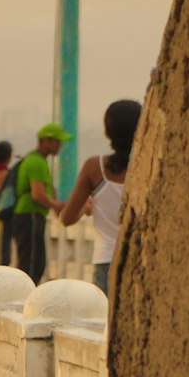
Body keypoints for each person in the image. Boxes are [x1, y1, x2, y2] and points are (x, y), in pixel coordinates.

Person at [60, 98, 141, 295]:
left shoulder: (94, 168)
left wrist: (85, 210)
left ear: (107, 131)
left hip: (106, 261)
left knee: (105, 322)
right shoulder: (147, 167)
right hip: (140, 262)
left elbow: (66, 218)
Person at [10, 123, 69, 284]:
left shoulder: (36, 160)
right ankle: (26, 298)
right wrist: (57, 205)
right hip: (30, 215)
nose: (60, 145)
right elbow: (38, 194)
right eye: (58, 141)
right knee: (32, 264)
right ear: (46, 141)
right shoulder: (36, 162)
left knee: (32, 262)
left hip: (29, 215)